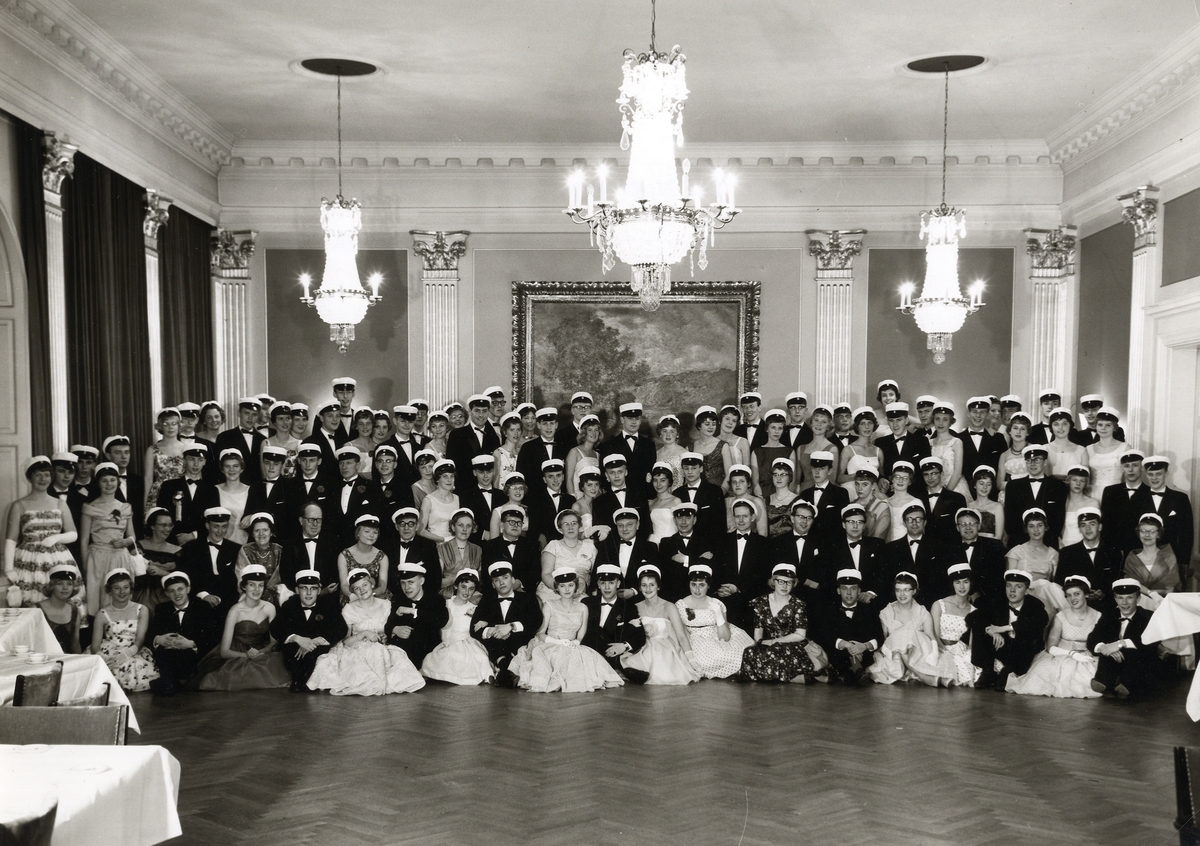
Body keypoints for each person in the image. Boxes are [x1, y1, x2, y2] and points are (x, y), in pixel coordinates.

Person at [307, 568, 426, 695]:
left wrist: (387, 636)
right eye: (356, 588)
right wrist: (361, 635)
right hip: (357, 651)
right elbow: (345, 642)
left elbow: (391, 628)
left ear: (372, 584)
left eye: (364, 585)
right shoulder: (349, 609)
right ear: (353, 591)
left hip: (383, 649)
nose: (362, 590)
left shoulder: (387, 605)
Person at [508, 567, 624, 692]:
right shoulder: (549, 605)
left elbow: (580, 634)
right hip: (550, 645)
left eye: (570, 585)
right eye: (562, 586)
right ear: (556, 588)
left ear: (575, 586)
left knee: (584, 665)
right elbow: (540, 633)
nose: (567, 589)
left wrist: (576, 642)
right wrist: (557, 642)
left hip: (572, 646)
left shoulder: (583, 607)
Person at [195, 565, 290, 690]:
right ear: (243, 586)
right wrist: (248, 656)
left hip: (262, 652)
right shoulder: (235, 611)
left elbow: (274, 642)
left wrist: (261, 652)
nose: (257, 589)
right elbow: (224, 651)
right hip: (237, 654)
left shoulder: (269, 608)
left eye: (260, 585)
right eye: (252, 585)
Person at [1007, 575, 1102, 698]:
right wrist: (1072, 654)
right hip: (1060, 657)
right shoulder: (1061, 617)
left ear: (1086, 595)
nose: (1072, 598)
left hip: (1087, 659)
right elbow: (1051, 647)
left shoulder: (1099, 616)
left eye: (1077, 594)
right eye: (1068, 595)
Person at [4, 455, 79, 608]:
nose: (43, 478)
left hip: (57, 559)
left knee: (58, 601)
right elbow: (11, 540)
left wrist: (56, 538)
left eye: (46, 474)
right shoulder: (19, 505)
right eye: (37, 474)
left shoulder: (60, 503)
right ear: (29, 477)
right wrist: (8, 568)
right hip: (29, 561)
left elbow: (73, 534)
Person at [969, 569, 1049, 691]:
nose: (1012, 590)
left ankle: (1007, 672)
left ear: (1027, 590)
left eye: (1018, 586)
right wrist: (992, 631)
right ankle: (987, 671)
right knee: (981, 629)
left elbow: (1040, 621)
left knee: (1026, 639)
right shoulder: (998, 601)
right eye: (1009, 586)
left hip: (1024, 649)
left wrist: (1003, 628)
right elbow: (974, 616)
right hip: (1004, 646)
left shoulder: (1035, 604)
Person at [619, 565, 699, 685]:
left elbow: (681, 636)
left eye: (652, 584)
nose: (648, 589)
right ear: (640, 588)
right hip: (642, 650)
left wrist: (692, 660)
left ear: (658, 586)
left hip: (664, 651)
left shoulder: (669, 607)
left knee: (666, 676)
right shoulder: (635, 607)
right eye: (644, 585)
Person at [270, 568, 348, 692]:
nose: (308, 593)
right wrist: (296, 638)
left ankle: (307, 681)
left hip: (319, 648)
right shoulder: (289, 605)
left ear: (319, 590)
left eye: (313, 588)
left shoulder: (328, 604)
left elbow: (341, 628)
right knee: (291, 650)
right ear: (297, 590)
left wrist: (315, 641)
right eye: (304, 588)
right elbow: (275, 627)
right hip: (296, 649)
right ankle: (299, 680)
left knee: (318, 654)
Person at [147, 572, 222, 696]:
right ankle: (173, 683)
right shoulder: (162, 608)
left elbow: (213, 636)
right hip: (169, 655)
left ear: (188, 589)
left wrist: (192, 643)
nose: (177, 594)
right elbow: (151, 633)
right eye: (171, 591)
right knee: (164, 656)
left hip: (194, 655)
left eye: (180, 589)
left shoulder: (202, 607)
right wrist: (159, 639)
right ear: (166, 593)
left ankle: (172, 683)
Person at [470, 561, 543, 687]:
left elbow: (536, 620)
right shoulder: (487, 601)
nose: (502, 582)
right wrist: (493, 630)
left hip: (519, 644)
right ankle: (506, 670)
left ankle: (503, 672)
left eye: (505, 578)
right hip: (495, 646)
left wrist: (510, 627)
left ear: (513, 579)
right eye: (497, 580)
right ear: (493, 585)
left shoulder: (527, 598)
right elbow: (474, 629)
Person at [676, 564, 754, 678]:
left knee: (745, 653)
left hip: (717, 638)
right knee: (704, 662)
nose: (697, 590)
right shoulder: (680, 605)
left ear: (708, 586)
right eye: (693, 584)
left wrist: (718, 614)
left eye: (702, 585)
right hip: (694, 641)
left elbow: (725, 637)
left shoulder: (717, 603)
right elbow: (681, 634)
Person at [80, 461, 137, 617]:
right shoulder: (90, 507)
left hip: (120, 558)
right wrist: (86, 568)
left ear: (118, 482)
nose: (109, 484)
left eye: (112, 480)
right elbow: (84, 539)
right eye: (104, 480)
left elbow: (132, 536)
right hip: (98, 558)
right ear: (98, 483)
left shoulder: (125, 507)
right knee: (98, 600)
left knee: (120, 596)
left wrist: (125, 542)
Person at [1088, 577, 1159, 699]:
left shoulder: (1148, 616)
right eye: (1120, 598)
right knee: (1105, 652)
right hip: (1114, 663)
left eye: (1129, 597)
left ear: (1138, 599)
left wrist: (1121, 644)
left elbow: (1150, 641)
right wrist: (1104, 647)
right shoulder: (1109, 615)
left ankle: (1127, 685)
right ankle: (1103, 682)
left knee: (1135, 653)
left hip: (1139, 663)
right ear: (1115, 599)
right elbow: (1092, 638)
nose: (1124, 603)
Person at [420, 569, 495, 685]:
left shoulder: (474, 608)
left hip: (467, 644)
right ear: (456, 586)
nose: (466, 592)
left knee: (480, 659)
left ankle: (485, 675)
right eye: (463, 587)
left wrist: (483, 622)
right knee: (442, 658)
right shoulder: (445, 604)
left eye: (471, 589)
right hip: (447, 643)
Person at [867, 572, 943, 686]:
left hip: (919, 654)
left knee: (908, 634)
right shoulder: (887, 612)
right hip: (895, 657)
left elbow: (931, 637)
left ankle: (919, 672)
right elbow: (883, 638)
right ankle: (920, 674)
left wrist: (935, 653)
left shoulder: (922, 612)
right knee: (898, 638)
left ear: (914, 591)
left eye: (907, 590)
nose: (902, 594)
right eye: (898, 590)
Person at [91, 568, 159, 691]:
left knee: (136, 667)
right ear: (109, 591)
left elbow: (140, 638)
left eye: (126, 587)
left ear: (131, 589)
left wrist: (129, 652)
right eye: (117, 588)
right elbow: (95, 645)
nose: (122, 591)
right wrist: (103, 658)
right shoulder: (102, 613)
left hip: (134, 650)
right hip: (109, 651)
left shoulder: (141, 609)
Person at [581, 563, 648, 682]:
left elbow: (640, 635)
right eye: (603, 583)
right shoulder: (587, 602)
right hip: (587, 649)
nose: (607, 587)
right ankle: (620, 667)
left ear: (618, 584)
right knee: (593, 632)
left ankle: (613, 666)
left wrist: (624, 646)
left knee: (597, 632)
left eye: (611, 583)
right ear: (598, 584)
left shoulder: (628, 607)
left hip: (610, 651)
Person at [816, 568, 883, 685]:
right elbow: (824, 636)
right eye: (844, 588)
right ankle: (855, 672)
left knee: (869, 658)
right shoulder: (829, 611)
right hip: (838, 654)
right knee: (834, 654)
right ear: (838, 591)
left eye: (853, 588)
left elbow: (879, 637)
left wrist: (864, 646)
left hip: (863, 654)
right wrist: (846, 645)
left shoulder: (869, 611)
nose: (848, 593)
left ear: (859, 591)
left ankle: (847, 674)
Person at [1003, 446, 1069, 548]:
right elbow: (1010, 521)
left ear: (1045, 462)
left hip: (1048, 544)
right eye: (1029, 460)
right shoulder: (1013, 486)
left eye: (1037, 460)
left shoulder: (1058, 486)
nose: (1032, 464)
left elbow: (1058, 521)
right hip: (1020, 544)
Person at [386, 562, 449, 669]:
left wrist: (413, 611)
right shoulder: (398, 599)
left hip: (428, 652)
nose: (406, 587)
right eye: (403, 583)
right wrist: (395, 629)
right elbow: (388, 625)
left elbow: (441, 620)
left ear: (421, 581)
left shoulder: (436, 600)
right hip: (403, 651)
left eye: (411, 582)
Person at [179, 506, 241, 613]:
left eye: (224, 526)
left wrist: (220, 598)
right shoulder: (191, 547)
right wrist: (204, 595)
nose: (220, 531)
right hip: (199, 599)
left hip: (227, 602)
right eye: (216, 526)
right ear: (207, 526)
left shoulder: (236, 549)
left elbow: (234, 580)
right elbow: (187, 575)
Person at [1006, 508, 1065, 612]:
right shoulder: (1016, 551)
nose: (1036, 530)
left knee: (1047, 585)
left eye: (1039, 525)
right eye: (1031, 526)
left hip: (1046, 598)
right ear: (1026, 529)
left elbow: (1055, 584)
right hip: (1023, 596)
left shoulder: (1053, 554)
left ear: (1046, 528)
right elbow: (1010, 582)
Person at [931, 563, 979, 687]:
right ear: (952, 584)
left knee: (973, 673)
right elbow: (934, 635)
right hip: (940, 648)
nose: (962, 586)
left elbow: (972, 642)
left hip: (961, 650)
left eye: (966, 582)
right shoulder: (939, 605)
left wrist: (968, 655)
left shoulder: (974, 611)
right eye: (958, 582)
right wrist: (945, 653)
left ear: (971, 583)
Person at [673, 451, 726, 546]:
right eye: (686, 468)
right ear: (682, 471)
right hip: (685, 545)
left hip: (709, 545)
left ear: (701, 469)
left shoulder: (714, 491)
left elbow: (720, 524)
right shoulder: (677, 493)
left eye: (694, 468)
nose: (690, 472)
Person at [133, 507, 180, 614]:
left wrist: (162, 573)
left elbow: (181, 577)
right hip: (140, 594)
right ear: (152, 526)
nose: (168, 529)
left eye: (170, 525)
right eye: (163, 525)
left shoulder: (178, 550)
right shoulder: (138, 546)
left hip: (167, 595)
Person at [796, 450, 848, 544]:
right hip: (808, 542)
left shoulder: (840, 493)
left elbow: (843, 523)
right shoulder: (805, 494)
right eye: (814, 468)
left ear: (830, 471)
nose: (817, 472)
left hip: (831, 543)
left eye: (822, 468)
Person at [1123, 512, 1180, 596]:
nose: (1147, 534)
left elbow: (1171, 587)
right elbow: (1131, 584)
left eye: (1152, 531)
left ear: (1159, 534)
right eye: (1143, 531)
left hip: (1163, 601)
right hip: (1138, 603)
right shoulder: (1132, 558)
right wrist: (1150, 593)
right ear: (1138, 533)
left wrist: (1154, 596)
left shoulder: (1168, 557)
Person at [337, 515, 390, 603]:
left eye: (375, 532)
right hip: (352, 597)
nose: (371, 535)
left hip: (375, 597)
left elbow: (382, 586)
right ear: (358, 533)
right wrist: (352, 596)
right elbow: (344, 585)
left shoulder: (382, 556)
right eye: (367, 531)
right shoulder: (344, 555)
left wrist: (369, 595)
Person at [516, 408, 568, 497]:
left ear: (556, 425)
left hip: (560, 497)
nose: (548, 427)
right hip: (536, 497)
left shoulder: (564, 446)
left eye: (551, 423)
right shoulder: (528, 448)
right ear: (538, 425)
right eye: (544, 424)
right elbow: (522, 476)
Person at [918, 455, 968, 547]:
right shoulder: (918, 499)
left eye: (934, 473)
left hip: (949, 548)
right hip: (925, 548)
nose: (930, 478)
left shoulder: (957, 498)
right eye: (926, 474)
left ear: (941, 474)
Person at [215, 397, 267, 484]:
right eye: (246, 413)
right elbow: (219, 468)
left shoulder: (263, 440)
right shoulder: (225, 437)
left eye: (254, 414)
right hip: (233, 487)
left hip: (257, 489)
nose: (250, 418)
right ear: (239, 413)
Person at [236, 513, 283, 604]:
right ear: (252, 534)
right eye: (257, 530)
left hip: (276, 595)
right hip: (251, 593)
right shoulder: (246, 550)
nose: (261, 534)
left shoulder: (279, 550)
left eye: (265, 530)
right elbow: (240, 576)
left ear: (271, 532)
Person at [144, 407, 185, 511]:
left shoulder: (185, 449)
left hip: (180, 493)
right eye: (166, 424)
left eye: (174, 423)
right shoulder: (152, 450)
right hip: (159, 493)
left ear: (179, 425)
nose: (170, 427)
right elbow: (148, 479)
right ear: (160, 427)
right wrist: (145, 503)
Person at [957, 397, 1007, 484]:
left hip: (991, 492)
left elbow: (1004, 467)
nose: (978, 416)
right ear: (968, 414)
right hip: (965, 490)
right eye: (975, 412)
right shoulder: (958, 439)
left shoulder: (998, 438)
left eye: (982, 412)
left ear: (987, 415)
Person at [212, 449, 256, 545]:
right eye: (227, 466)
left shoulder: (251, 490)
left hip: (243, 542)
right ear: (222, 469)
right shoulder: (214, 490)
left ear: (242, 468)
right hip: (220, 541)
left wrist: (251, 516)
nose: (231, 470)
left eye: (235, 466)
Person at [38, 562, 83, 653]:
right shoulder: (37, 610)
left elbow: (75, 644)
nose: (65, 588)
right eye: (60, 583)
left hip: (67, 661)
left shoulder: (75, 611)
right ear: (52, 586)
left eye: (69, 584)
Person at [439, 508, 484, 597]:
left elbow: (480, 580)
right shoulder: (442, 548)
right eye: (460, 525)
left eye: (468, 526)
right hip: (448, 595)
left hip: (471, 595)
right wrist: (458, 579)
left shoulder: (477, 549)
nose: (464, 529)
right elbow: (437, 582)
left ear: (472, 528)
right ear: (453, 527)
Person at [835, 408, 883, 491]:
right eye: (862, 423)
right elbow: (839, 478)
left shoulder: (878, 451)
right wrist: (859, 476)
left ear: (874, 425)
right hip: (852, 489)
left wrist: (883, 480)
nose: (867, 427)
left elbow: (881, 476)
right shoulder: (848, 450)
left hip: (872, 491)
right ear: (857, 426)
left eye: (870, 423)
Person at [1085, 407, 1130, 494]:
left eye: (1108, 425)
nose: (1103, 428)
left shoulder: (1125, 448)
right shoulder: (1088, 449)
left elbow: (1128, 476)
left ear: (1114, 427)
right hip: (1092, 494)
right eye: (1100, 424)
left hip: (1115, 494)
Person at [795, 406, 840, 491]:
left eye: (823, 422)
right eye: (816, 420)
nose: (819, 424)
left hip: (824, 494)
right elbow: (797, 480)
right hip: (804, 492)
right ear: (811, 422)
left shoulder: (832, 449)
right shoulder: (801, 448)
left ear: (828, 426)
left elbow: (832, 479)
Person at [928, 402, 968, 496]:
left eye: (945, 419)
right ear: (933, 420)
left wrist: (946, 494)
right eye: (937, 419)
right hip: (934, 487)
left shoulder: (956, 442)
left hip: (954, 488)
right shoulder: (929, 442)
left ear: (951, 422)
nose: (940, 423)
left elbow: (957, 473)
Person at [751, 409, 794, 496]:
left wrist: (784, 499)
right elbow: (755, 482)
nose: (777, 431)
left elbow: (792, 481)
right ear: (767, 429)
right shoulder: (756, 452)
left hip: (784, 496)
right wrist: (761, 499)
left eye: (780, 428)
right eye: (773, 427)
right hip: (762, 495)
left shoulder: (789, 452)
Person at [419, 459, 460, 543]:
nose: (449, 480)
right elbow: (420, 530)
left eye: (452, 476)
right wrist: (444, 539)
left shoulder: (457, 499)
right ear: (437, 479)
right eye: (445, 476)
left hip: (455, 544)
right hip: (435, 544)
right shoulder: (428, 500)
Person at [692, 406, 733, 488]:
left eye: (713, 424)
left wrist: (720, 494)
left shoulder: (723, 446)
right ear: (699, 426)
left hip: (718, 492)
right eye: (707, 424)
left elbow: (729, 475)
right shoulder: (690, 448)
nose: (711, 427)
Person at [1060, 465, 1100, 547]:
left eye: (1082, 481)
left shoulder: (1093, 503)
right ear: (1068, 481)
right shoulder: (1062, 502)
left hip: (1086, 546)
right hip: (1064, 546)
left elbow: (1097, 530)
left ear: (1086, 483)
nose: (1078, 483)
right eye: (1074, 480)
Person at [850, 462, 890, 541]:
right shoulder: (851, 504)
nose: (860, 488)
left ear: (873, 486)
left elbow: (879, 537)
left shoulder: (881, 506)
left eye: (865, 484)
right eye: (857, 484)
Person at [646, 463, 684, 545]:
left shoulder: (676, 501)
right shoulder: (650, 503)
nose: (658, 484)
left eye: (663, 480)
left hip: (672, 543)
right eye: (655, 480)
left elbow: (682, 526)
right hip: (654, 542)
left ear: (669, 482)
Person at [1046, 407, 1088, 481]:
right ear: (1051, 427)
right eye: (1056, 424)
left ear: (1070, 425)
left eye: (1064, 424)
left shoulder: (1081, 450)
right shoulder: (1044, 449)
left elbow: (1085, 479)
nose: (1060, 427)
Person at [565, 413, 602, 497]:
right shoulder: (574, 452)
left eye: (596, 430)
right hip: (578, 497)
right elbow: (568, 480)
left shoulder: (598, 455)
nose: (594, 433)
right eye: (590, 430)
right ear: (583, 433)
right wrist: (573, 499)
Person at [724, 466, 768, 536]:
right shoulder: (726, 502)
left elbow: (763, 533)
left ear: (749, 484)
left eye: (741, 481)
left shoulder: (757, 501)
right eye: (734, 482)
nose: (737, 485)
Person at [966, 466, 1005, 542]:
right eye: (981, 483)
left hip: (991, 547)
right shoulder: (968, 506)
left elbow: (999, 536)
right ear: (974, 485)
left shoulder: (997, 507)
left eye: (989, 484)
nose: (985, 487)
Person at [884, 461, 921, 542]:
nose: (900, 481)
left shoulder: (916, 502)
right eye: (897, 477)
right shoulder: (884, 502)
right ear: (892, 479)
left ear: (910, 482)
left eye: (905, 478)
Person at [488, 471, 530, 540]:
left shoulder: (528, 510)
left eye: (521, 488)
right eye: (514, 488)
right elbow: (494, 541)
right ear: (507, 491)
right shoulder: (498, 511)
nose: (518, 491)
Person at [263, 402, 300, 479]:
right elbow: (264, 473)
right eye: (280, 419)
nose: (285, 422)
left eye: (288, 418)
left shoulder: (299, 444)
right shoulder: (266, 443)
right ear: (274, 422)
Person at [765, 458, 801, 539]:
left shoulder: (797, 501)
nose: (779, 478)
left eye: (783, 474)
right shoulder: (766, 500)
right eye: (775, 474)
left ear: (790, 477)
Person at [1000, 412, 1033, 491]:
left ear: (1028, 432)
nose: (1018, 432)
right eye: (1015, 428)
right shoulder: (1004, 455)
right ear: (1010, 431)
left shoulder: (1033, 450)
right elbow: (999, 485)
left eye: (1022, 429)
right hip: (1011, 494)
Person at [655, 415, 687, 492]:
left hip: (679, 495)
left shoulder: (684, 453)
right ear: (660, 433)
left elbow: (688, 479)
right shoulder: (656, 454)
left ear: (677, 434)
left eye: (672, 431)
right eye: (664, 431)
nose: (668, 435)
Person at [493, 412, 524, 482]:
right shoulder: (498, 453)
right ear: (505, 432)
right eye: (512, 430)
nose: (516, 433)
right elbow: (496, 480)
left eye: (518, 430)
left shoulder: (522, 451)